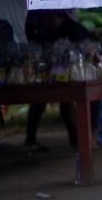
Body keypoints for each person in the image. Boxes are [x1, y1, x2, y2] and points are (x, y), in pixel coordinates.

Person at [22, 9, 94, 152]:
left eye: (51, 19)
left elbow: (89, 47)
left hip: (71, 72)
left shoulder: (73, 29)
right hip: (45, 71)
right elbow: (33, 41)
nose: (48, 22)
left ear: (60, 17)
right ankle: (30, 140)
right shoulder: (42, 28)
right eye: (46, 19)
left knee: (67, 104)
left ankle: (76, 140)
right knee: (38, 101)